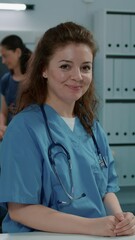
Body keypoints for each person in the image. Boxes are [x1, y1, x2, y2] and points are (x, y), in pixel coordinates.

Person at [0, 22, 135, 236]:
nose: (78, 76)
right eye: (65, 66)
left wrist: (120, 219)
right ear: (44, 69)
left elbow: (105, 190)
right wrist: (93, 226)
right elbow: (20, 210)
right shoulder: (24, 128)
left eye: (85, 67)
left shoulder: (92, 128)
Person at [0, 35, 32, 140]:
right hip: (10, 136)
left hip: (28, 137)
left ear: (17, 52)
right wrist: (1, 127)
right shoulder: (6, 80)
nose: (3, 61)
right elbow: (4, 112)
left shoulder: (34, 81)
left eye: (5, 56)